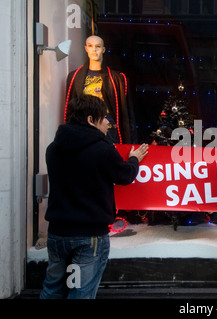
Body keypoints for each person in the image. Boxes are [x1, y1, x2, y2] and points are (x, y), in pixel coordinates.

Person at [40, 94, 148, 299]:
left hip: (57, 234)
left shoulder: (52, 149)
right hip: (89, 237)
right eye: (105, 117)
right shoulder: (102, 149)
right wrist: (134, 159)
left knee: (52, 289)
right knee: (81, 292)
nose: (108, 122)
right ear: (91, 120)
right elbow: (124, 176)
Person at [64, 35, 136, 144]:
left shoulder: (117, 78)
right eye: (90, 46)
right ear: (86, 49)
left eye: (97, 46)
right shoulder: (75, 76)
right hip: (84, 126)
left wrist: (130, 141)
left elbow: (126, 113)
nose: (94, 49)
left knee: (109, 157)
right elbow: (70, 108)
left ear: (103, 49)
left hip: (108, 126)